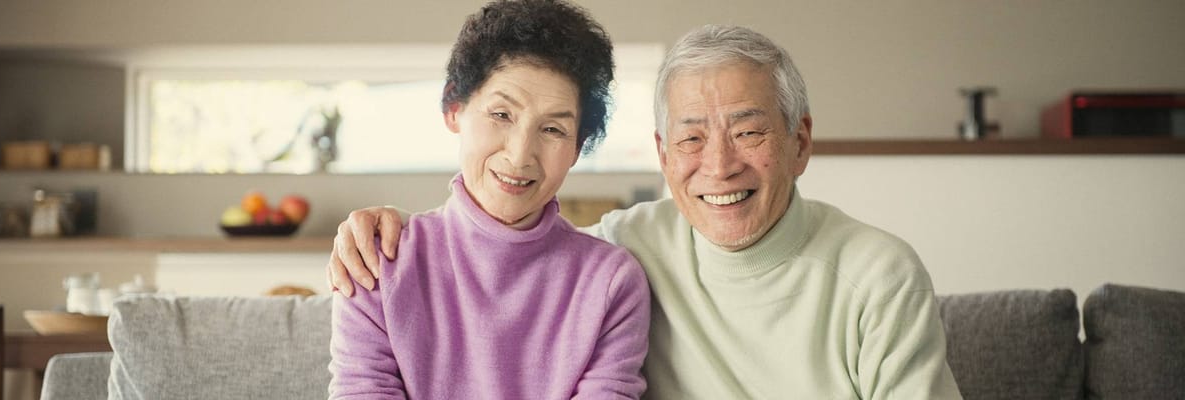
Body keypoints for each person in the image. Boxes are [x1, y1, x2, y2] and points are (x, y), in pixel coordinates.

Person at [329, 25, 963, 399]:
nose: (718, 166)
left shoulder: (879, 277)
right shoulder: (628, 248)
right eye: (691, 138)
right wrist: (386, 228)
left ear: (799, 142)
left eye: (749, 132)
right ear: (663, 155)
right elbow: (510, 243)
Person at [326, 1, 650, 399]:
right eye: (501, 114)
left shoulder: (611, 282)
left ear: (578, 148)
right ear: (454, 108)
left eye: (552, 129)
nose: (520, 155)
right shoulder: (376, 261)